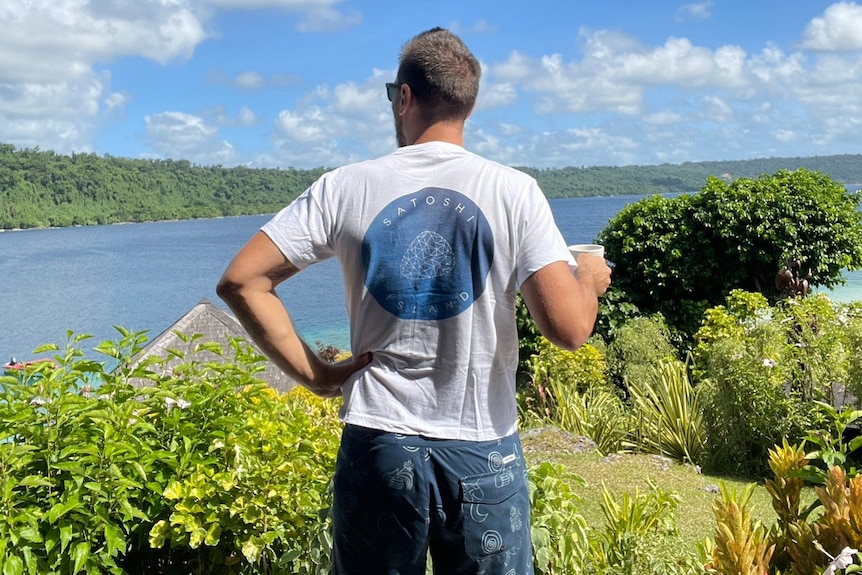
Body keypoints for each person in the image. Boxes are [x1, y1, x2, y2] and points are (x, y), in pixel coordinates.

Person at [217, 27, 611, 575]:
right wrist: (587, 278)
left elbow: (242, 281)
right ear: (468, 105)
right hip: (481, 449)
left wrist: (318, 375)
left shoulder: (345, 187)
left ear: (404, 97)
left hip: (379, 443)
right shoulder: (513, 191)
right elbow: (570, 329)